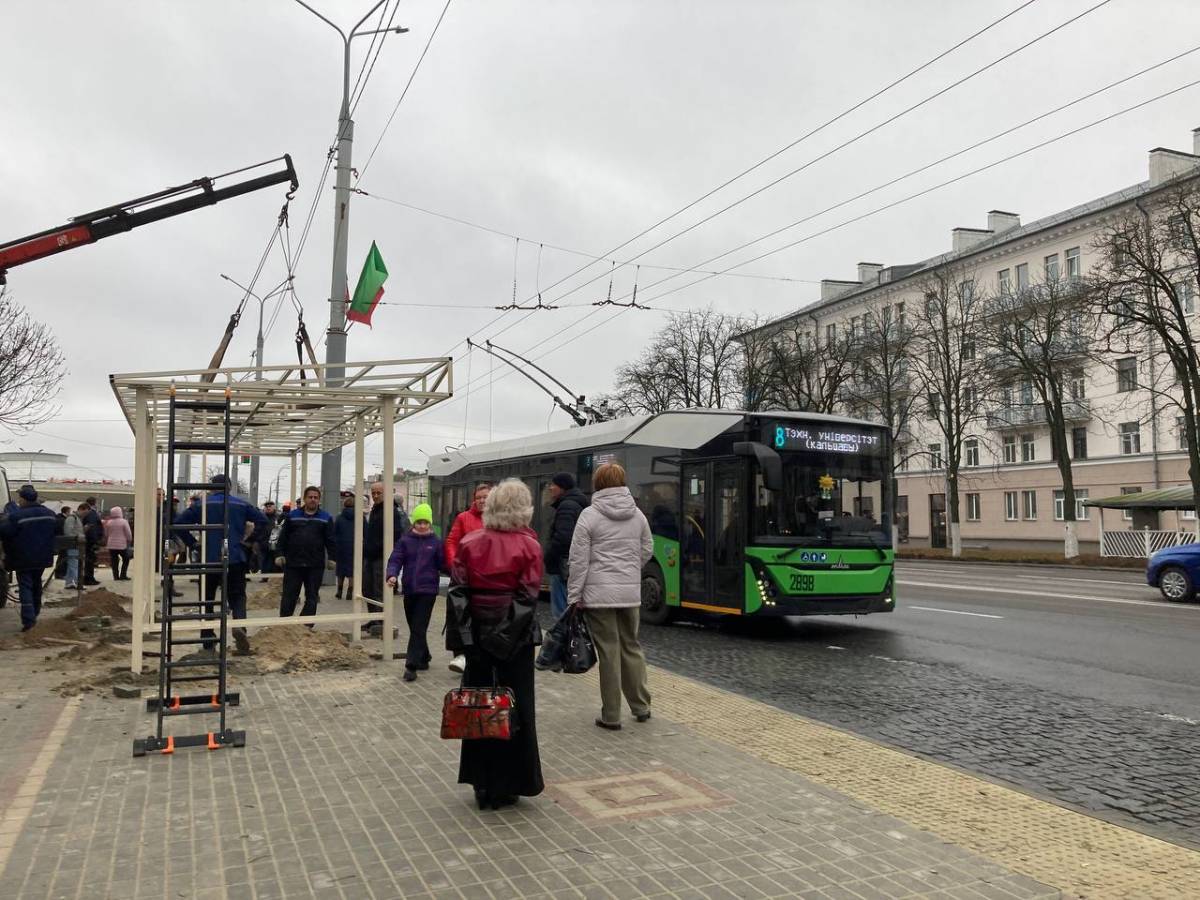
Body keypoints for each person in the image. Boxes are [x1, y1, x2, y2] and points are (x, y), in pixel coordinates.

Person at [451, 479, 544, 809]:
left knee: (479, 708)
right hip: (515, 640)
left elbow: (458, 593)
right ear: (524, 509)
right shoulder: (530, 545)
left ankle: (482, 781)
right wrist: (503, 638)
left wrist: (468, 639)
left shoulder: (469, 542)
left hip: (476, 635)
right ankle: (511, 783)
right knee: (517, 710)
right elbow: (527, 598)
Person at [567, 462, 653, 731]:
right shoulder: (637, 514)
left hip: (599, 594)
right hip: (629, 594)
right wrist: (629, 569)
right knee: (632, 646)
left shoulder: (589, 515)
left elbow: (578, 560)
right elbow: (647, 548)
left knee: (609, 652)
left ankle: (612, 715)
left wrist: (574, 595)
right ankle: (641, 706)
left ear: (598, 484)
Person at [173, 474, 268, 655]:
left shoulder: (201, 505)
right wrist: (249, 541)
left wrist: (193, 543)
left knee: (207, 598)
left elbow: (178, 524)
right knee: (238, 597)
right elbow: (263, 521)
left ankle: (208, 639)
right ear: (230, 487)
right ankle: (240, 627)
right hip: (235, 557)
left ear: (211, 488)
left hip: (208, 558)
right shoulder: (241, 504)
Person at [386, 503, 445, 682]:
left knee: (419, 627)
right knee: (414, 626)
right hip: (410, 589)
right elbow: (395, 558)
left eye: (425, 522)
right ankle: (424, 656)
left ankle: (411, 666)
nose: (422, 525)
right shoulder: (405, 540)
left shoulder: (436, 542)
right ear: (413, 523)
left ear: (430, 523)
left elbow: (443, 564)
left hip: (428, 591)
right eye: (418, 522)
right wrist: (392, 575)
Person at [444, 482, 490, 673]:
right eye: (478, 497)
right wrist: (456, 565)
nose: (481, 501)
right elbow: (452, 541)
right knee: (459, 613)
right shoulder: (463, 518)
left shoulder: (497, 519)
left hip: (487, 577)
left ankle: (480, 654)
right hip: (465, 576)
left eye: (485, 497)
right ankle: (460, 654)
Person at [1, 486, 57, 631]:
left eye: (20, 498)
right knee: (36, 584)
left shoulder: (17, 516)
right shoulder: (50, 514)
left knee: (25, 586)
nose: (19, 501)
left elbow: (5, 533)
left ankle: (28, 620)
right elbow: (56, 531)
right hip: (42, 557)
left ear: (24, 499)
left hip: (23, 558)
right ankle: (35, 612)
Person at [275, 485, 336, 620]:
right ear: (304, 499)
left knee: (312, 596)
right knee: (289, 595)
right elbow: (283, 538)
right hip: (293, 563)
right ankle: (284, 624)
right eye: (310, 497)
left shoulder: (325, 518)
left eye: (316, 497)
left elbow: (330, 540)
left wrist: (332, 558)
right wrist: (279, 554)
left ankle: (305, 626)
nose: (313, 500)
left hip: (315, 565)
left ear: (319, 500)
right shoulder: (292, 516)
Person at [543, 472, 588, 621]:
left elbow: (563, 538)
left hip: (562, 566)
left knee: (561, 614)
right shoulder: (577, 503)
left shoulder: (566, 506)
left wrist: (548, 556)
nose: (550, 488)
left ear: (562, 487)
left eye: (553, 485)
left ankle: (564, 642)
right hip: (571, 566)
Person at [362, 481, 406, 630]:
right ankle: (373, 618)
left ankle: (380, 621)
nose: (375, 496)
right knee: (367, 589)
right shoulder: (375, 509)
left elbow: (396, 533)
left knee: (378, 589)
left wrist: (380, 547)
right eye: (373, 493)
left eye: (378, 493)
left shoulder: (391, 510)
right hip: (370, 555)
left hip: (382, 556)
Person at [334, 496, 358, 601]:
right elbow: (366, 532)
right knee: (352, 570)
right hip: (354, 546)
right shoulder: (359, 517)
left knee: (340, 570)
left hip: (341, 547)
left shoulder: (339, 517)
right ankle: (350, 592)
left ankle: (339, 591)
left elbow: (334, 532)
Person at [103, 506, 133, 581]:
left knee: (114, 561)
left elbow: (106, 534)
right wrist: (129, 540)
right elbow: (128, 533)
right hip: (122, 545)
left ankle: (115, 576)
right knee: (126, 559)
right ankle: (123, 575)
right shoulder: (124, 522)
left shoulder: (109, 522)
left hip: (111, 545)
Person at [80, 497, 102, 585]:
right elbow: (92, 527)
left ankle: (89, 578)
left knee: (89, 560)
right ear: (94, 503)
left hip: (88, 539)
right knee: (90, 560)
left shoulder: (89, 513)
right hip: (91, 541)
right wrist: (95, 540)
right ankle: (89, 579)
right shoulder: (91, 513)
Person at [62, 506, 83, 590]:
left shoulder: (76, 518)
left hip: (74, 544)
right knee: (74, 563)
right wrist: (77, 537)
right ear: (81, 509)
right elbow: (68, 532)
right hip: (72, 544)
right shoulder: (72, 518)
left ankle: (69, 582)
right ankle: (79, 582)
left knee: (72, 563)